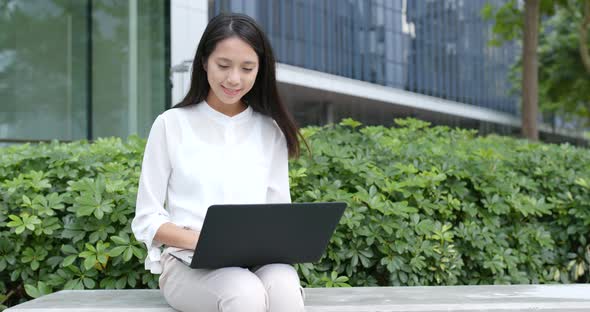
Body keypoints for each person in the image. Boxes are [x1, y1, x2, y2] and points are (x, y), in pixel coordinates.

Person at [131, 12, 306, 312]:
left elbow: (279, 214)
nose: (234, 79)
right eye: (223, 65)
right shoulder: (171, 125)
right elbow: (147, 219)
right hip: (187, 262)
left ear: (260, 70)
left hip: (255, 260)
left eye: (247, 68)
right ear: (204, 62)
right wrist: (207, 240)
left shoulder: (270, 130)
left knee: (285, 286)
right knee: (243, 292)